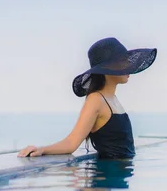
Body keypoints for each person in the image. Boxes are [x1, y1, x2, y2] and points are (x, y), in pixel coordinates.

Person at [18, 37, 157, 159]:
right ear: (107, 68)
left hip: (122, 178)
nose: (128, 65)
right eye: (122, 61)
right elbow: (72, 143)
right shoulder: (96, 100)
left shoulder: (112, 98)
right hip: (108, 180)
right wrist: (42, 149)